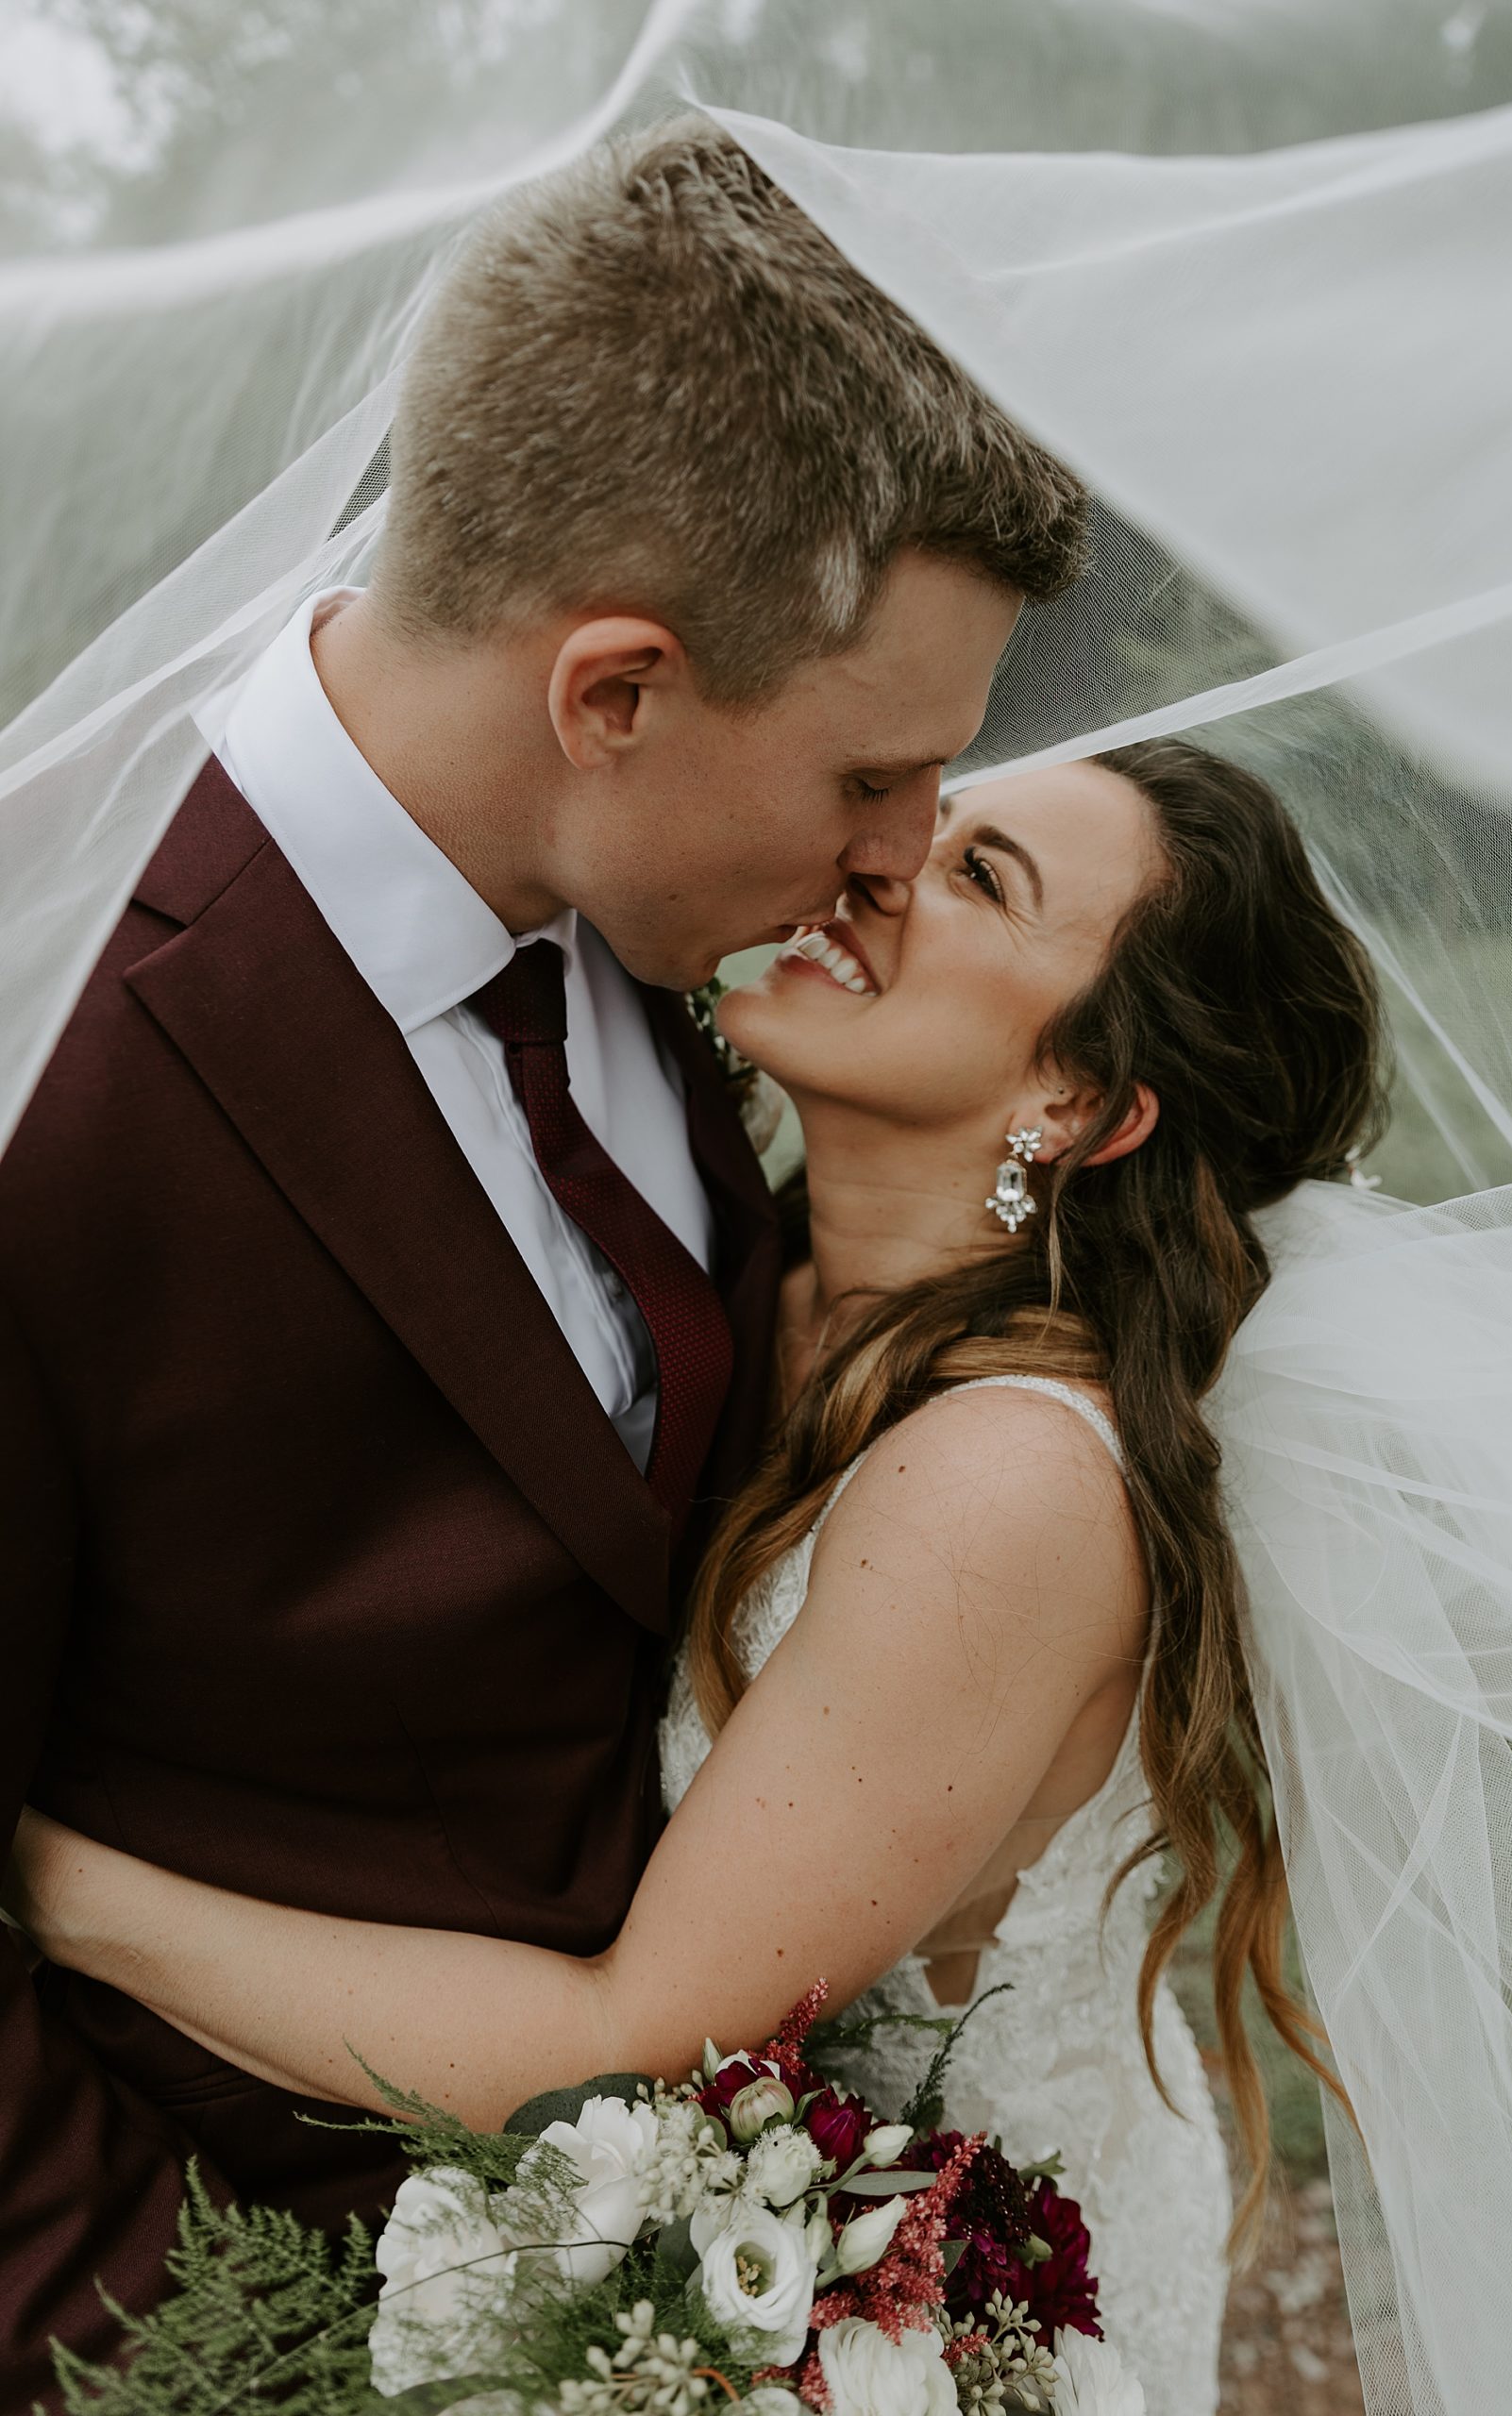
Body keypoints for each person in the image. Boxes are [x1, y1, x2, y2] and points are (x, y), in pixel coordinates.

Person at [0, 117, 1087, 2405]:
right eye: (871, 776)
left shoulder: (662, 940)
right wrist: (269, 2378)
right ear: (613, 690)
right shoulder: (59, 1047)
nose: (899, 863)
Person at [11, 738, 1386, 2413]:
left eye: (979, 878)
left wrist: (54, 1878)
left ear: (1076, 1105)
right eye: (935, 820)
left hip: (907, 2322)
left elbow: (624, 2041)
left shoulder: (1006, 1486)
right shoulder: (779, 1272)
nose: (886, 860)